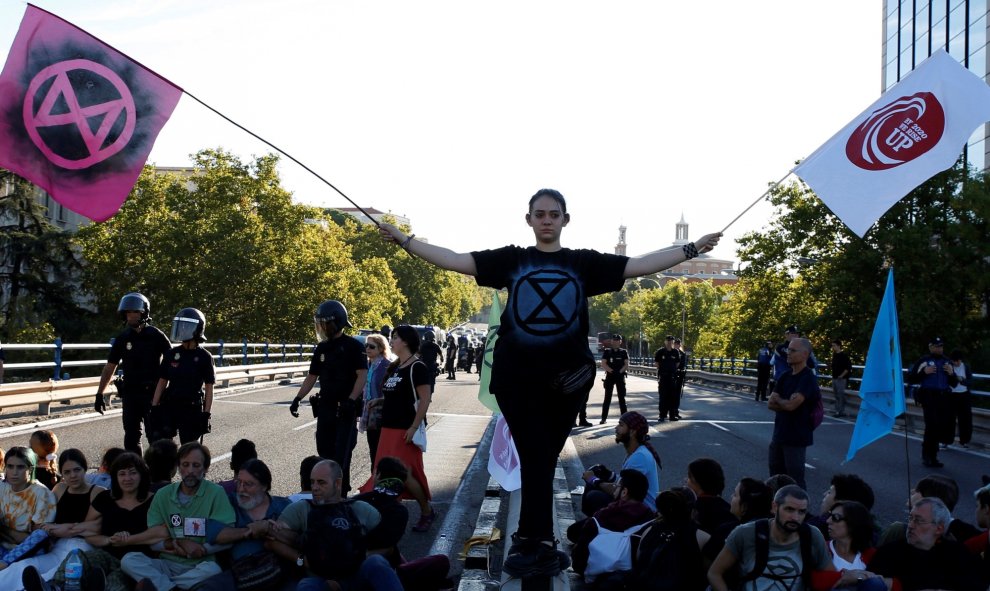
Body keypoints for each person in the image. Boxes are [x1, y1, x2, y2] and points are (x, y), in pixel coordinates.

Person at [378, 187, 720, 578]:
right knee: (536, 457)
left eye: (553, 214)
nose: (546, 220)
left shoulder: (583, 263)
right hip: (516, 379)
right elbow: (455, 260)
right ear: (529, 220)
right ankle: (534, 539)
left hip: (565, 382)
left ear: (564, 220)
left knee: (540, 457)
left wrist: (692, 249)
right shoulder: (512, 260)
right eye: (539, 214)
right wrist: (405, 241)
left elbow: (639, 265)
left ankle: (533, 538)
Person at [22, 452, 155, 591]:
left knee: (114, 583)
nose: (127, 478)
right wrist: (109, 540)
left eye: (133, 473)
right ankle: (54, 587)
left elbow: (160, 532)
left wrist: (129, 540)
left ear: (142, 475)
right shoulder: (106, 498)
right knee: (79, 558)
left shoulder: (154, 500)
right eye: (122, 474)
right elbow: (90, 531)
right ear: (115, 477)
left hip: (138, 560)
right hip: (108, 555)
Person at [269, 459, 402, 591]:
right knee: (306, 586)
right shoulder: (301, 509)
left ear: (337, 483)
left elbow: (389, 547)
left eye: (321, 482)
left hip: (356, 577)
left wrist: (354, 559)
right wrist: (302, 560)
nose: (314, 487)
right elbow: (273, 539)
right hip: (322, 580)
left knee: (376, 563)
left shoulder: (361, 508)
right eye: (312, 482)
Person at [118, 442, 235, 590]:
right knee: (129, 560)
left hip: (200, 565)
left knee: (213, 570)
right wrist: (174, 544)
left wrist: (203, 549)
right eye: (185, 465)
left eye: (196, 465)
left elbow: (228, 539)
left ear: (205, 469)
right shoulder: (163, 495)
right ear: (178, 467)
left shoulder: (216, 493)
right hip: (167, 563)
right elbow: (153, 541)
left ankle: (163, 586)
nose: (190, 470)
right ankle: (172, 588)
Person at [358, 325, 437, 533]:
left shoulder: (417, 367)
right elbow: (395, 395)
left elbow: (425, 399)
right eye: (391, 337)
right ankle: (390, 514)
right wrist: (379, 400)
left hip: (405, 430)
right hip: (388, 429)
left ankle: (427, 512)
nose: (391, 341)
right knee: (384, 474)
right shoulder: (394, 367)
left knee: (408, 475)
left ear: (407, 342)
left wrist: (413, 427)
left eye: (395, 338)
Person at [288, 300, 366, 495]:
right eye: (320, 324)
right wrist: (298, 398)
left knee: (341, 458)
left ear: (337, 322)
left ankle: (341, 496)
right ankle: (325, 494)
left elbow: (362, 375)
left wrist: (351, 399)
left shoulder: (354, 346)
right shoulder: (321, 348)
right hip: (326, 409)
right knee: (324, 453)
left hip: (345, 410)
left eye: (325, 323)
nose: (322, 328)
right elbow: (312, 376)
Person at [0, 449, 102, 588]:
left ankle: (45, 586)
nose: (72, 476)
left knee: (58, 572)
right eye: (66, 472)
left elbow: (97, 526)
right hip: (57, 544)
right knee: (22, 566)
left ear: (85, 469)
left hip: (82, 545)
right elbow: (42, 526)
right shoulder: (60, 489)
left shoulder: (98, 492)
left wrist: (61, 528)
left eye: (77, 470)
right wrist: (56, 529)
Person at [708, 484, 833, 591]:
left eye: (801, 512)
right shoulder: (745, 533)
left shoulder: (812, 536)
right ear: (774, 507)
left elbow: (829, 576)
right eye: (789, 509)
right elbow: (714, 573)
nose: (795, 517)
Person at [94, 292, 173, 453]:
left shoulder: (156, 336)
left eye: (135, 312)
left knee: (156, 437)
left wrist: (170, 389)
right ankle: (136, 472)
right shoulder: (123, 338)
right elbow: (110, 367)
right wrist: (99, 393)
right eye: (128, 312)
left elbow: (172, 362)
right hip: (130, 394)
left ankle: (157, 475)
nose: (131, 316)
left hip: (153, 394)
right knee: (131, 438)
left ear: (144, 313)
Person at [197, 458, 292, 591]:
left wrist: (269, 529)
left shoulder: (284, 506)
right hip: (241, 574)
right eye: (239, 482)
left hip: (279, 573)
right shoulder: (229, 503)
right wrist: (249, 531)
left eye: (248, 484)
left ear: (264, 486)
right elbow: (215, 533)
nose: (241, 489)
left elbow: (299, 539)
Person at [869, 497, 984, 591]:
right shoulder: (889, 552)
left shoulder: (957, 554)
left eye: (919, 520)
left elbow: (975, 585)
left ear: (939, 528)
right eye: (910, 518)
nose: (910, 525)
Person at [567, 469, 654, 579]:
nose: (614, 488)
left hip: (594, 573)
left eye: (617, 486)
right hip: (628, 577)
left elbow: (578, 562)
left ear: (624, 492)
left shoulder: (603, 516)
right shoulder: (650, 520)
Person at [149, 308, 215, 444]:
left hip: (191, 408)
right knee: (163, 447)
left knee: (189, 448)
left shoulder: (205, 357)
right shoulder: (171, 354)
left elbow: (209, 387)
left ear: (197, 329)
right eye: (181, 326)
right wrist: (154, 407)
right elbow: (162, 381)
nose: (182, 329)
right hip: (170, 405)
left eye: (187, 326)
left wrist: (206, 414)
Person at [581, 411, 662, 515]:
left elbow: (620, 492)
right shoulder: (635, 451)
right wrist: (607, 474)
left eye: (621, 425)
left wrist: (593, 480)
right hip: (632, 503)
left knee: (594, 496)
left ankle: (598, 527)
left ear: (633, 431)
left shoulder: (639, 457)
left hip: (641, 512)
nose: (616, 428)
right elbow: (624, 482)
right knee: (596, 479)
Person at [767, 337, 820, 490]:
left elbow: (791, 406)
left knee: (794, 481)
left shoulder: (808, 378)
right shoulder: (785, 376)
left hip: (796, 437)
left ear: (804, 354)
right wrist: (785, 402)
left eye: (792, 350)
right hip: (779, 435)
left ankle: (801, 511)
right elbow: (770, 403)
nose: (788, 353)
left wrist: (781, 401)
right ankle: (775, 511)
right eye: (788, 349)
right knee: (775, 479)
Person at [0, 447, 57, 568]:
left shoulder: (42, 494)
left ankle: (4, 564)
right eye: (10, 466)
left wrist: (5, 530)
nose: (14, 472)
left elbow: (34, 538)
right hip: (3, 544)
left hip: (27, 550)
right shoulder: (1, 487)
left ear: (30, 469)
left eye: (20, 467)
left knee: (41, 534)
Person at [811, 500, 886, 591]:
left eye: (836, 517)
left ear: (853, 523)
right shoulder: (822, 549)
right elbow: (810, 579)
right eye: (829, 515)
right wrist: (844, 576)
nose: (828, 521)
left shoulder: (871, 554)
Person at [906, 336, 957, 468]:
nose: (940, 349)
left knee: (939, 427)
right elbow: (911, 379)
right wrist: (924, 372)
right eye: (937, 346)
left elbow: (955, 383)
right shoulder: (924, 361)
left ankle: (933, 457)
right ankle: (927, 456)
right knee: (931, 426)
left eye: (941, 346)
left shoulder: (947, 362)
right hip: (929, 397)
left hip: (944, 398)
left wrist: (951, 374)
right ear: (931, 347)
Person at [703, 477, 772, 562]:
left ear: (744, 506)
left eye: (735, 495)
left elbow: (707, 560)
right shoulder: (771, 530)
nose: (731, 496)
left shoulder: (727, 530)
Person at [361, 334, 391, 467]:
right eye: (366, 345)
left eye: (371, 346)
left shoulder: (387, 366)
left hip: (381, 413)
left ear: (381, 349)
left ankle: (379, 479)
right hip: (369, 412)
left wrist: (379, 400)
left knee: (380, 450)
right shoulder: (367, 364)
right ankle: (374, 478)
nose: (368, 348)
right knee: (373, 449)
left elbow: (391, 392)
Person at [685, 458, 735, 535]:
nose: (685, 480)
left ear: (698, 483)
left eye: (689, 478)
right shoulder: (727, 509)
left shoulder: (691, 510)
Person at [600, 333, 629, 424]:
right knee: (607, 398)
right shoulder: (607, 351)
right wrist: (611, 371)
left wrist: (620, 372)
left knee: (622, 398)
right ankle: (603, 418)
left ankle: (624, 419)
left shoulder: (623, 352)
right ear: (611, 341)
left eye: (617, 340)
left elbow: (626, 364)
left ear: (620, 342)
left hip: (620, 376)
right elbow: (603, 363)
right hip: (610, 376)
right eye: (614, 340)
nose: (615, 342)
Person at [948, 350, 973, 449]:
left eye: (958, 361)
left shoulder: (966, 366)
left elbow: (970, 381)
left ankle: (964, 441)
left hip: (964, 395)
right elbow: (948, 380)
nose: (956, 363)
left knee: (965, 420)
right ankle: (947, 441)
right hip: (951, 395)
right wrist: (954, 377)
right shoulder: (949, 366)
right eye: (954, 361)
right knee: (949, 419)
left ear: (961, 360)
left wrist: (962, 380)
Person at [654, 336, 681, 422]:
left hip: (672, 377)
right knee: (663, 396)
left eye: (671, 341)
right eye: (668, 341)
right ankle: (662, 415)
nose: (669, 342)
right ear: (665, 342)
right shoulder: (660, 352)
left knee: (672, 397)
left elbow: (677, 363)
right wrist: (662, 370)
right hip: (663, 377)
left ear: (673, 342)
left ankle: (672, 415)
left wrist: (672, 370)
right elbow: (657, 363)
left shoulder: (675, 352)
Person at [830, 340, 852, 418]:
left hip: (841, 379)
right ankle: (837, 410)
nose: (833, 347)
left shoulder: (844, 356)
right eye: (832, 346)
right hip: (834, 378)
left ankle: (840, 411)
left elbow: (848, 368)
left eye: (834, 345)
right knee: (836, 395)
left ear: (839, 346)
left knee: (840, 394)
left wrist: (841, 375)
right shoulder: (834, 355)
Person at [673, 337, 688, 410]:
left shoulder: (682, 354)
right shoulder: (669, 353)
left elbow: (683, 365)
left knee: (677, 394)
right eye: (675, 344)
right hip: (670, 375)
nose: (677, 345)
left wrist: (682, 371)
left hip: (678, 375)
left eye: (678, 344)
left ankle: (676, 411)